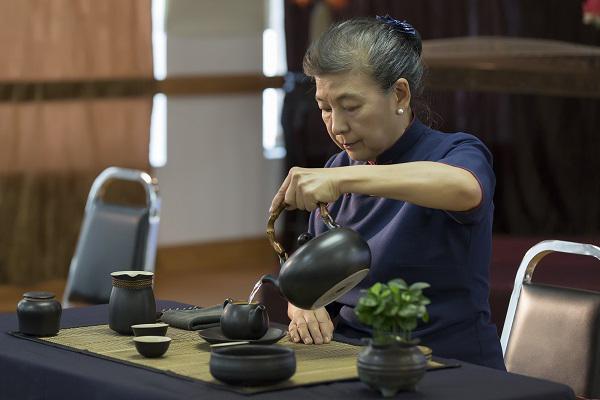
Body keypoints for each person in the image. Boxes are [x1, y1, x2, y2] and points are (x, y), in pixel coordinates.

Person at [269, 16, 505, 370]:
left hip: (447, 366)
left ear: (399, 94)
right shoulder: (337, 168)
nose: (337, 126)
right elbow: (317, 278)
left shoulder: (456, 152)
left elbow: (465, 189)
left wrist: (346, 181)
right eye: (325, 108)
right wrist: (303, 304)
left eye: (350, 106)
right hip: (354, 359)